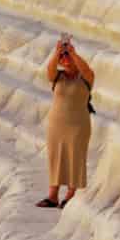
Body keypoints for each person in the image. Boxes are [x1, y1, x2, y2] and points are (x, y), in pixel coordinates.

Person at [41, 35, 95, 208]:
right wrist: (57, 52)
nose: (64, 60)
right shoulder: (58, 76)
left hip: (78, 125)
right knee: (55, 157)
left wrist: (73, 53)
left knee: (75, 157)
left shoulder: (86, 77)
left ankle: (70, 194)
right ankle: (53, 195)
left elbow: (87, 70)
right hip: (56, 125)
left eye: (67, 57)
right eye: (63, 58)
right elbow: (49, 70)